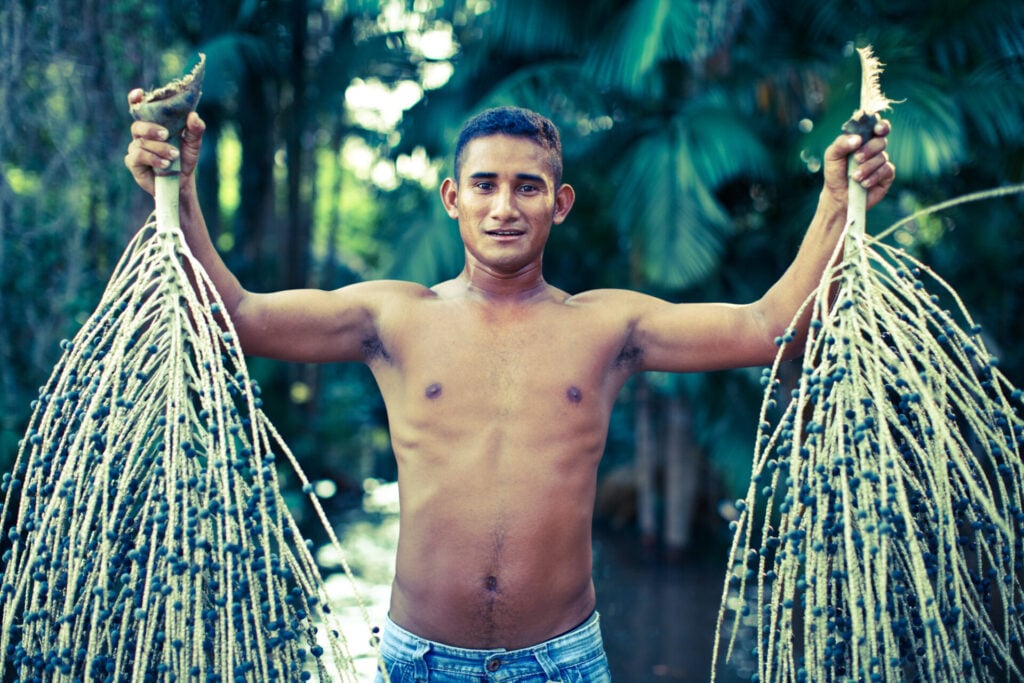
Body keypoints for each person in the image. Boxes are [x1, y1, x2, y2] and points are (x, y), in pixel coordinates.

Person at [126, 95, 894, 682]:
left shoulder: (607, 326)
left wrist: (836, 199)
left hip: (561, 660)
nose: (504, 206)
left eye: (528, 187)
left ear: (558, 205)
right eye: (485, 185)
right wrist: (178, 187)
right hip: (421, 658)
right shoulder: (390, 317)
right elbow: (232, 313)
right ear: (451, 198)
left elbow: (770, 323)